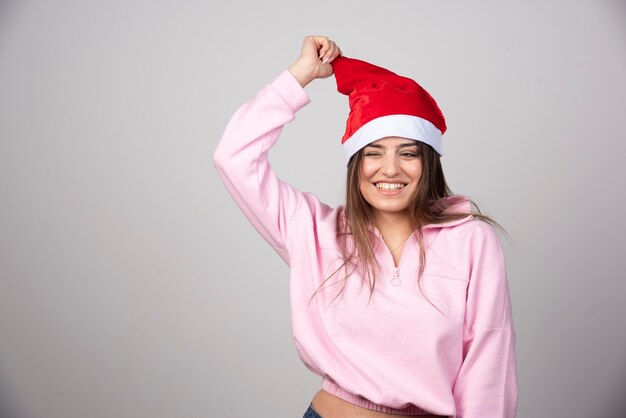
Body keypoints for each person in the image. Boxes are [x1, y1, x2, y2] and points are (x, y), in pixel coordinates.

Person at [213, 36, 517, 418]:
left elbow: (489, 361)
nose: (390, 169)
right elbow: (233, 157)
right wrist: (301, 75)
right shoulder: (314, 230)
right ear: (355, 164)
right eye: (373, 153)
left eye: (407, 153)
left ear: (429, 163)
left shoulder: (471, 240)